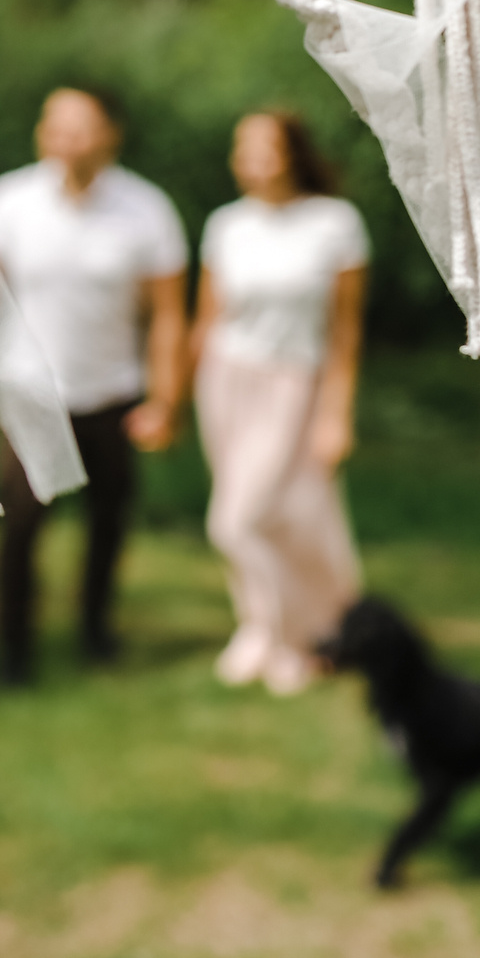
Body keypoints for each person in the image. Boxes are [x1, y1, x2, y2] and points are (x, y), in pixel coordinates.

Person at [0, 86, 188, 685]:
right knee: (20, 525)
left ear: (110, 134)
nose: (64, 137)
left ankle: (96, 630)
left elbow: (169, 316)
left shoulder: (147, 211)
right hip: (30, 391)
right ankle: (12, 650)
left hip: (113, 390)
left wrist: (165, 401)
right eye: (53, 124)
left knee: (108, 520)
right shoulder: (10, 200)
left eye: (79, 126)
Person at [192, 109, 368, 697]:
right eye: (241, 147)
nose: (249, 158)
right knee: (252, 515)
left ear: (293, 152)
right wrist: (169, 399)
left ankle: (301, 638)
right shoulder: (225, 225)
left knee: (250, 520)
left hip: (298, 384)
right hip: (226, 383)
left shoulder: (335, 224)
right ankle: (262, 629)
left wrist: (337, 414)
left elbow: (345, 333)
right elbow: (206, 320)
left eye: (262, 146)